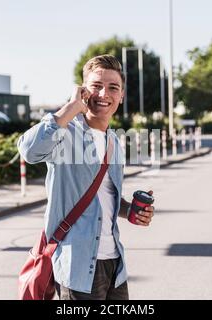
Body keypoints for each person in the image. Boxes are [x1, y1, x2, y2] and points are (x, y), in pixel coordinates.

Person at [17, 54, 155, 300]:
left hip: (115, 265)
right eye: (96, 86)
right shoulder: (64, 133)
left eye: (113, 88)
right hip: (77, 266)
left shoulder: (114, 142)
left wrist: (131, 209)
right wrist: (71, 108)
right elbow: (29, 150)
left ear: (121, 96)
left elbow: (106, 199)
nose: (104, 94)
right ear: (83, 91)